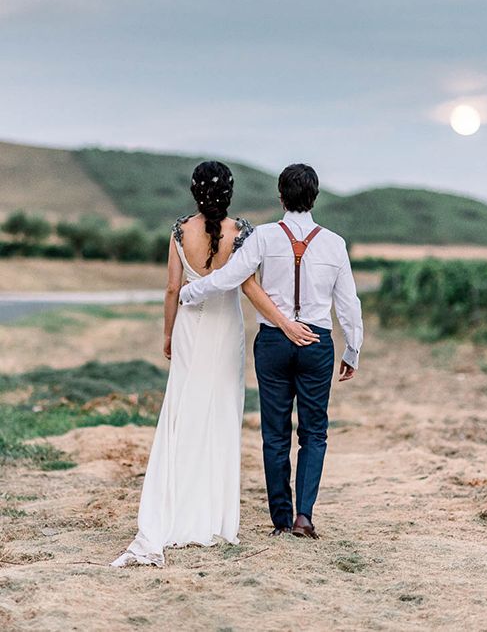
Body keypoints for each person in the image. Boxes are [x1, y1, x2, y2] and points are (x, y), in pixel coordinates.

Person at [111, 161, 316, 567]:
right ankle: (213, 516)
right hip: (226, 330)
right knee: (220, 414)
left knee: (184, 412)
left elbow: (173, 287)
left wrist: (168, 333)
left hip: (190, 328)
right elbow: (250, 286)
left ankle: (176, 510)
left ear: (194, 192)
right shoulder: (243, 233)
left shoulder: (178, 231)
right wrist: (284, 322)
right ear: (230, 192)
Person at [179, 163, 363, 538]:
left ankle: (280, 520)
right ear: (314, 197)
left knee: (275, 433)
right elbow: (348, 305)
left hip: (274, 342)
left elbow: (231, 277)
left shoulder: (263, 237)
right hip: (315, 344)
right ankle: (304, 517)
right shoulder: (334, 243)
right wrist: (353, 350)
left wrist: (190, 291)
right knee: (314, 432)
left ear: (281, 196)